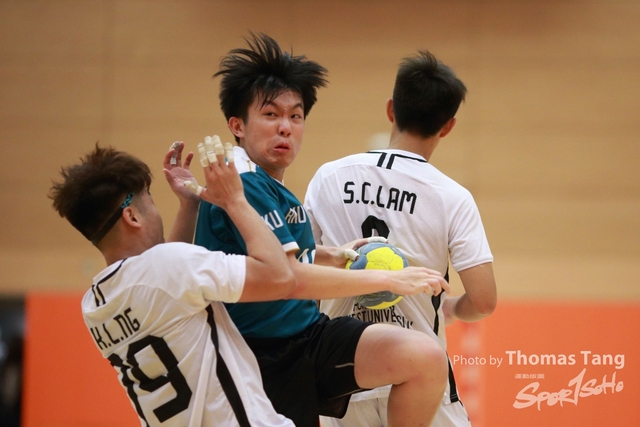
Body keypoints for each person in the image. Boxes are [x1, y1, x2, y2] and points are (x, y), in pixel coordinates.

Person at [194, 33, 451, 427]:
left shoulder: (269, 184)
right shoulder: (244, 184)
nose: (285, 127)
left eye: (295, 116)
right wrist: (389, 279)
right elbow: (288, 278)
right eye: (271, 115)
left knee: (425, 358)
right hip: (260, 357)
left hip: (307, 336)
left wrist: (328, 255)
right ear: (237, 125)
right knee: (423, 358)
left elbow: (274, 260)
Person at [304, 51, 498, 427]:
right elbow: (484, 300)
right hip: (420, 376)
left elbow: (302, 267)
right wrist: (450, 309)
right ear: (448, 126)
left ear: (391, 109)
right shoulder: (451, 197)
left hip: (343, 378)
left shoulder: (328, 176)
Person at [48, 140, 298, 427]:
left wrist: (189, 205)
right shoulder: (167, 268)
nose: (156, 211)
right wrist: (235, 200)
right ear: (132, 216)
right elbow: (280, 277)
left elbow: (169, 285)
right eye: (151, 202)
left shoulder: (94, 305)